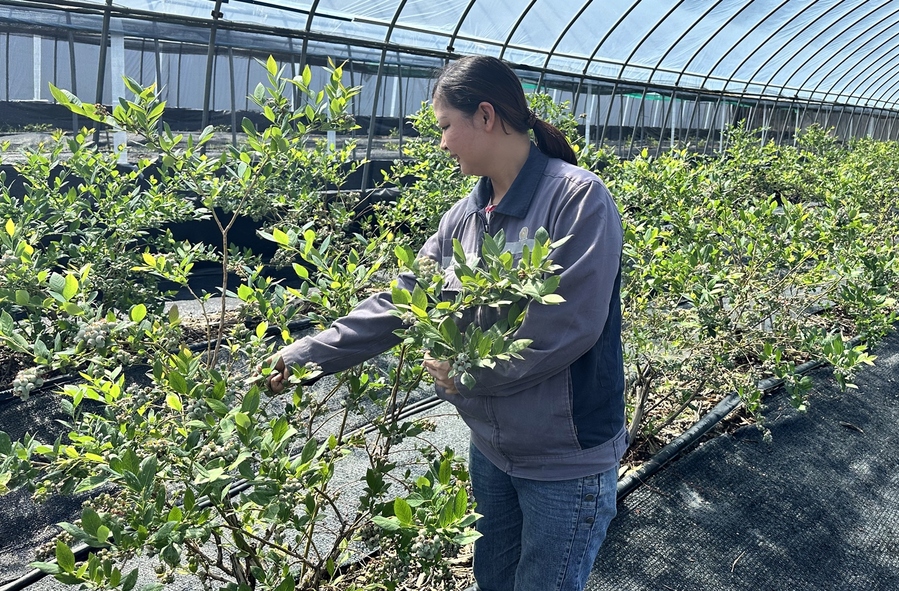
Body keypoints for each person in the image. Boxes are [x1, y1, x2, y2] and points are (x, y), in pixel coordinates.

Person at [265, 55, 626, 591]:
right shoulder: (463, 217)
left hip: (563, 458)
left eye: (444, 127)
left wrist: (469, 372)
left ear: (485, 116)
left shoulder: (576, 198)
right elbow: (405, 299)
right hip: (492, 448)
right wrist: (307, 355)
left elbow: (570, 324)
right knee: (493, 580)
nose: (441, 143)